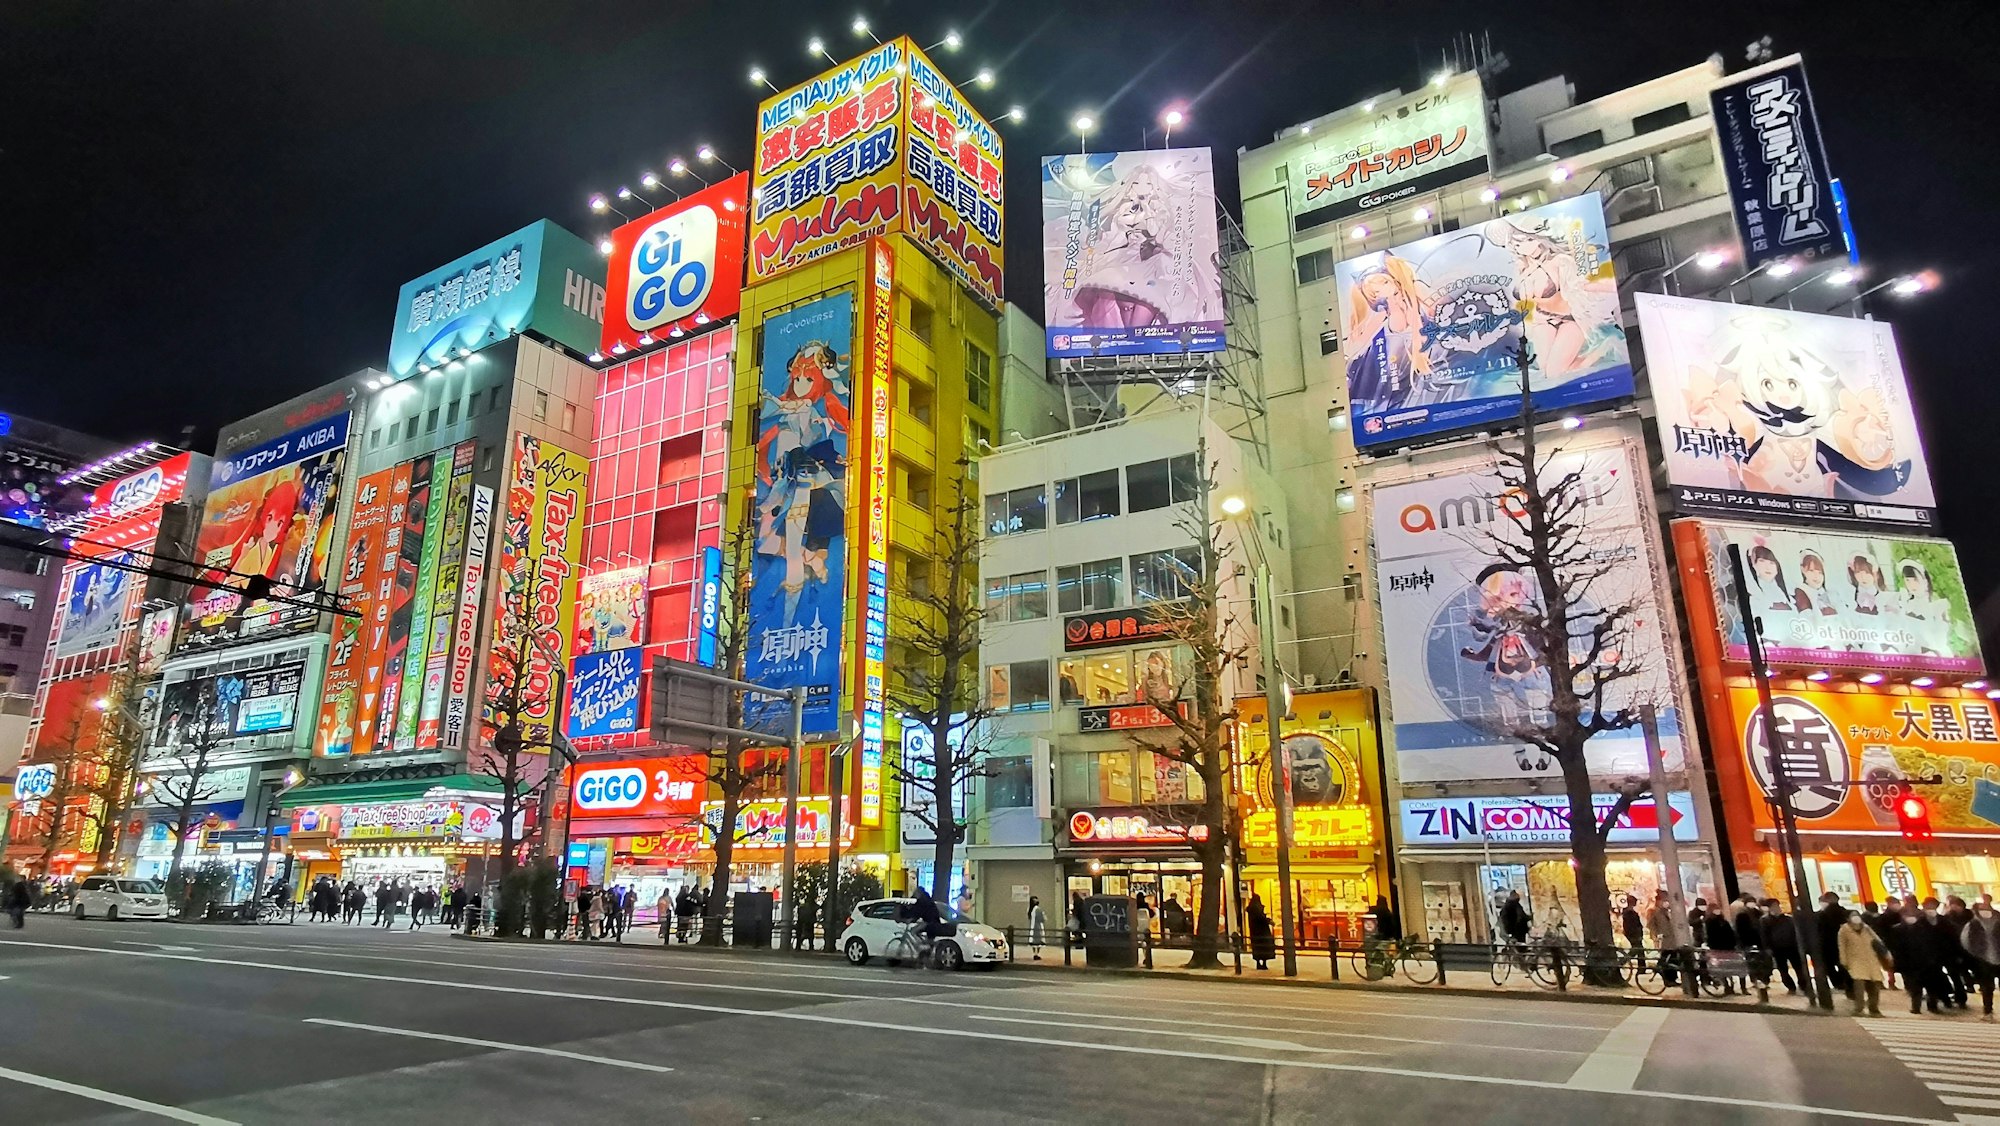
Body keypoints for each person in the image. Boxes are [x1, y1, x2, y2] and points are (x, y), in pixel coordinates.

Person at [1890, 902, 1951, 1014]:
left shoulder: (1926, 928)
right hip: (1910, 964)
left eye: (1913, 915)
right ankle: (1916, 1007)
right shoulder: (1897, 930)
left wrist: (1936, 959)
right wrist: (1899, 964)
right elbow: (1896, 949)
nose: (1911, 917)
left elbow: (1935, 944)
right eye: (1908, 915)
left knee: (1931, 986)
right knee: (1915, 988)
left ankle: (1932, 1006)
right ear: (1903, 916)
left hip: (1929, 962)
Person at [1837, 909, 1889, 1017]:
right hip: (1855, 961)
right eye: (1853, 915)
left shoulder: (1866, 928)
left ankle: (1874, 1009)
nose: (1856, 917)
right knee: (1859, 986)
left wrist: (1885, 954)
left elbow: (1877, 941)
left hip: (1871, 960)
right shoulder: (1844, 930)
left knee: (1874, 986)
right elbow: (1842, 946)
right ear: (1848, 918)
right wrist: (1844, 961)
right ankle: (1859, 1009)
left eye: (1857, 915)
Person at [1960, 898, 2000, 1022]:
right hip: (1982, 961)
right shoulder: (1973, 924)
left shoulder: (1999, 922)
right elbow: (1967, 942)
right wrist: (1976, 956)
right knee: (1987, 988)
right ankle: (1987, 1011)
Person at [1759, 899, 1804, 995]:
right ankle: (1791, 986)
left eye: (1777, 905)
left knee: (1798, 967)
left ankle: (1803, 985)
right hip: (1777, 949)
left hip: (1792, 946)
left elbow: (1795, 932)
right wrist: (1768, 948)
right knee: (1783, 969)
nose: (1777, 908)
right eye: (1774, 906)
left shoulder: (1788, 919)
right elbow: (1764, 935)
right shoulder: (1765, 920)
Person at [1647, 890, 1684, 987]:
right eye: (1664, 900)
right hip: (1664, 939)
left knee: (1673, 959)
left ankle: (1672, 978)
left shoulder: (1669, 911)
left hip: (1673, 938)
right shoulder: (1654, 911)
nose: (1666, 902)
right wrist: (1656, 935)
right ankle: (1667, 978)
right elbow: (1651, 925)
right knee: (1667, 958)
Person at [1816, 892, 1849, 992]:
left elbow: (1819, 931)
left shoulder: (1822, 914)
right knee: (1843, 964)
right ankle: (1847, 984)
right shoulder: (1845, 912)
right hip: (1843, 943)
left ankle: (1838, 983)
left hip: (1827, 944)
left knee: (1829, 966)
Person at [1247, 893, 1276, 970]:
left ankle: (1258, 963)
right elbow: (1261, 918)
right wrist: (1269, 921)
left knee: (1257, 948)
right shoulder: (1257, 908)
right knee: (1264, 947)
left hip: (1254, 932)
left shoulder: (1251, 909)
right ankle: (1264, 963)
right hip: (1262, 931)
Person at [1027, 895, 1048, 961]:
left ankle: (1034, 954)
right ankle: (1037, 954)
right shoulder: (1038, 909)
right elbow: (1042, 919)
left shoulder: (1029, 909)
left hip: (1032, 926)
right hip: (1038, 927)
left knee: (1033, 941)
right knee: (1039, 941)